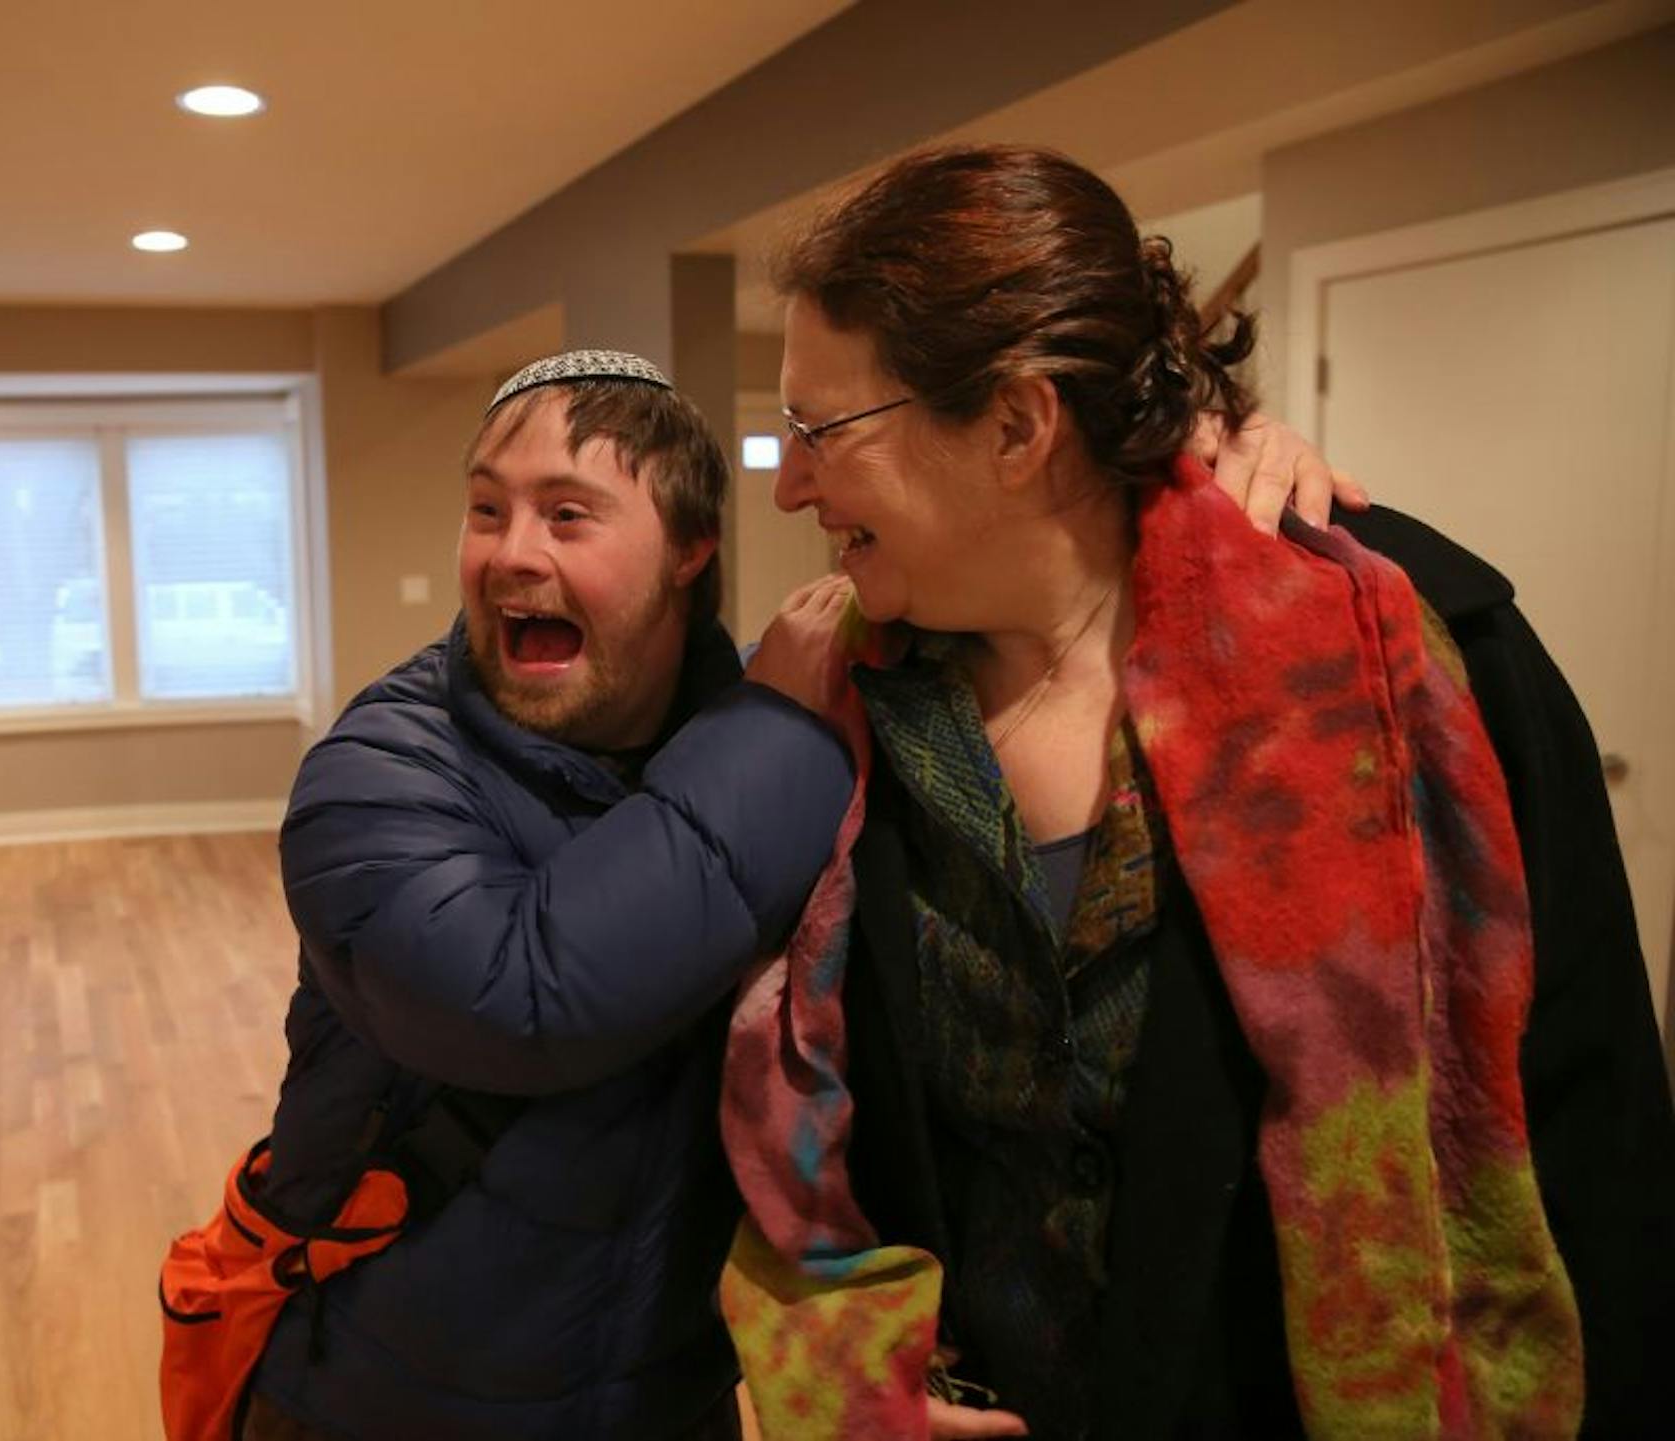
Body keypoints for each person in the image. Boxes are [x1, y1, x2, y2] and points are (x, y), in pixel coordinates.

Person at [718, 142, 1675, 1441]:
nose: (791, 481)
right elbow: (799, 1138)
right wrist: (860, 1384)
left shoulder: (1403, 661)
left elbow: (1590, 1124)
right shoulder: (831, 719)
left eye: (826, 431)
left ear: (1014, 423)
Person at [235, 349, 1351, 1441]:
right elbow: (525, 995)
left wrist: (1189, 468)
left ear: (689, 548)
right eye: (488, 511)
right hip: (379, 1400)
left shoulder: (791, 724)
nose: (510, 553)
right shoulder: (380, 773)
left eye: (567, 515)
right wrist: (771, 729)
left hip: (671, 1402)